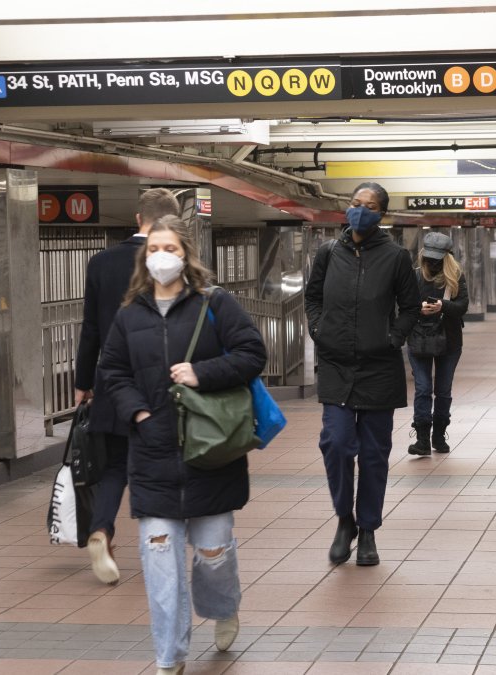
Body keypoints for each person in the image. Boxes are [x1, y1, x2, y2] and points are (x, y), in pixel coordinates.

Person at [98, 216, 267, 675]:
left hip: (211, 451)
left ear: (186, 254)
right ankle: (169, 658)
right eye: (154, 248)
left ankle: (224, 607)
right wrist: (139, 413)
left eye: (170, 247)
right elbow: (111, 371)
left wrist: (201, 372)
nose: (162, 256)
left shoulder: (215, 304)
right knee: (161, 567)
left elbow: (253, 353)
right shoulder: (129, 314)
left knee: (214, 556)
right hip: (153, 455)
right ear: (144, 256)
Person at [305, 182, 420, 567]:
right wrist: (318, 329)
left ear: (381, 214)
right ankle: (344, 520)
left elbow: (410, 306)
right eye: (355, 204)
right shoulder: (328, 253)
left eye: (368, 206)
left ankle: (368, 529)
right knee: (336, 444)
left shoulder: (396, 257)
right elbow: (312, 296)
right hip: (336, 365)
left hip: (378, 368)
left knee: (373, 454)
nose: (359, 211)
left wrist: (394, 338)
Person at [73, 187, 180, 586]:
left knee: (115, 465)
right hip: (163, 381)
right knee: (159, 465)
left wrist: (84, 382)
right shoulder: (176, 261)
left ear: (138, 219)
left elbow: (90, 330)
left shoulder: (101, 262)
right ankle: (161, 543)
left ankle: (101, 530)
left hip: (113, 380)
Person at [406, 231, 469, 456]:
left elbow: (463, 306)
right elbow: (402, 307)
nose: (432, 263)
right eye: (429, 257)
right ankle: (422, 438)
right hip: (419, 339)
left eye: (437, 258)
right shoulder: (413, 276)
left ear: (446, 256)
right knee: (422, 389)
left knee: (443, 391)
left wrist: (443, 306)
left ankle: (439, 436)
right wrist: (418, 310)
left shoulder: (456, 276)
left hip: (449, 341)